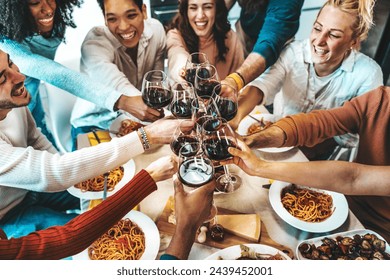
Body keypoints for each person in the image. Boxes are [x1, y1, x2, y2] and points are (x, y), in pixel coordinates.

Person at [0, 49, 187, 238]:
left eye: (11, 63)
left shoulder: (11, 104)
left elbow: (34, 138)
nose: (20, 76)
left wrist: (73, 172)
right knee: (97, 236)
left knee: (121, 201)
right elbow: (53, 172)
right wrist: (147, 136)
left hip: (33, 188)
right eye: (2, 79)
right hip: (8, 215)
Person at [234, 86, 390, 242]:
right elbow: (321, 122)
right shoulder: (382, 99)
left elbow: (354, 179)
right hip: (347, 203)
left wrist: (260, 167)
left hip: (383, 233)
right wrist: (251, 140)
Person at [230, 0, 382, 160]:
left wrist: (299, 148)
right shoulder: (293, 53)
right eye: (317, 28)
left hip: (327, 162)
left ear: (354, 41)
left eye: (334, 35)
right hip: (275, 145)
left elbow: (352, 135)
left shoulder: (369, 75)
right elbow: (260, 86)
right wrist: (235, 118)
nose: (319, 40)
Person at [0, 0, 160, 148]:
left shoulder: (50, 26)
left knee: (45, 142)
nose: (48, 9)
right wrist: (123, 101)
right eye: (35, 2)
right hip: (8, 115)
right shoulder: (6, 45)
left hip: (30, 105)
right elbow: (55, 73)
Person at [0, 168, 216, 260]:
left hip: (27, 193)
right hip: (12, 218)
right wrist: (186, 227)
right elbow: (69, 239)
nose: (20, 76)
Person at [70, 0, 166, 147]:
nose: (123, 27)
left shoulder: (156, 31)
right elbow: (119, 86)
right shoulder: (94, 44)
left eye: (131, 15)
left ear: (144, 11)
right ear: (104, 19)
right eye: (112, 19)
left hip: (135, 119)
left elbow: (156, 81)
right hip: (93, 123)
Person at [221, 0, 304, 93]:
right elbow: (220, 6)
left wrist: (235, 81)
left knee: (264, 89)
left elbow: (268, 44)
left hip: (275, 45)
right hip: (246, 30)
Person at [166, 0, 244, 82]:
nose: (200, 16)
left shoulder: (230, 38)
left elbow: (240, 86)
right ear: (186, 11)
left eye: (207, 7)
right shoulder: (175, 35)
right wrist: (184, 68)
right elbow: (176, 54)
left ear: (216, 9)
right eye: (193, 8)